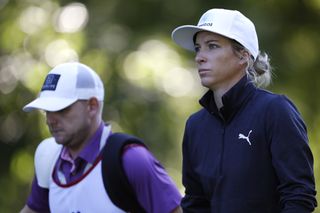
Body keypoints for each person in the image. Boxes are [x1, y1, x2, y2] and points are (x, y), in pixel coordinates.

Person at [171, 8, 317, 212]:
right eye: (198, 48)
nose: (200, 57)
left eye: (212, 46)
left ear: (243, 56)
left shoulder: (275, 111)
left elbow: (299, 196)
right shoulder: (195, 126)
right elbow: (196, 203)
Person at [20, 62, 182, 213]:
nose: (50, 120)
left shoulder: (131, 159)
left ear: (92, 106)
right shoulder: (47, 156)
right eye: (46, 110)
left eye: (62, 109)